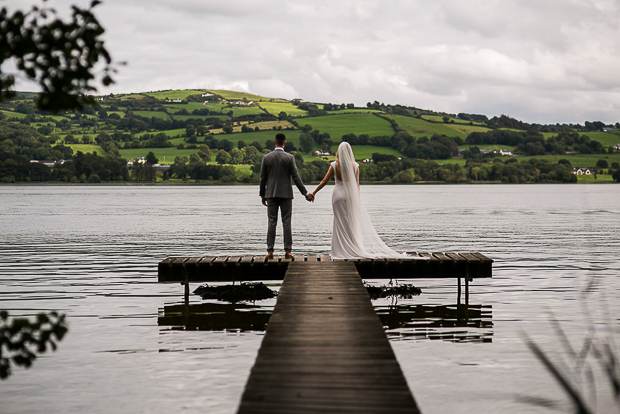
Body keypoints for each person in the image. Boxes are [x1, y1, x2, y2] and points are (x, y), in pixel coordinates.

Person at [311, 142, 425, 260]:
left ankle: (340, 251)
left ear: (339, 152)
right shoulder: (355, 166)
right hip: (350, 196)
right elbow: (356, 186)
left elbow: (324, 181)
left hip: (337, 196)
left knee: (339, 223)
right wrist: (357, 200)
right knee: (351, 223)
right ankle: (352, 248)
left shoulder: (334, 165)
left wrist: (314, 193)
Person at [259, 133, 314, 259]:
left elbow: (262, 178)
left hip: (271, 194)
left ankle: (270, 251)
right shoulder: (289, 158)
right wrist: (306, 194)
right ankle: (288, 251)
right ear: (285, 143)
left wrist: (263, 195)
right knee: (287, 222)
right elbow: (296, 177)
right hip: (286, 195)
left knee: (271, 222)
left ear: (274, 142)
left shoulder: (266, 158)